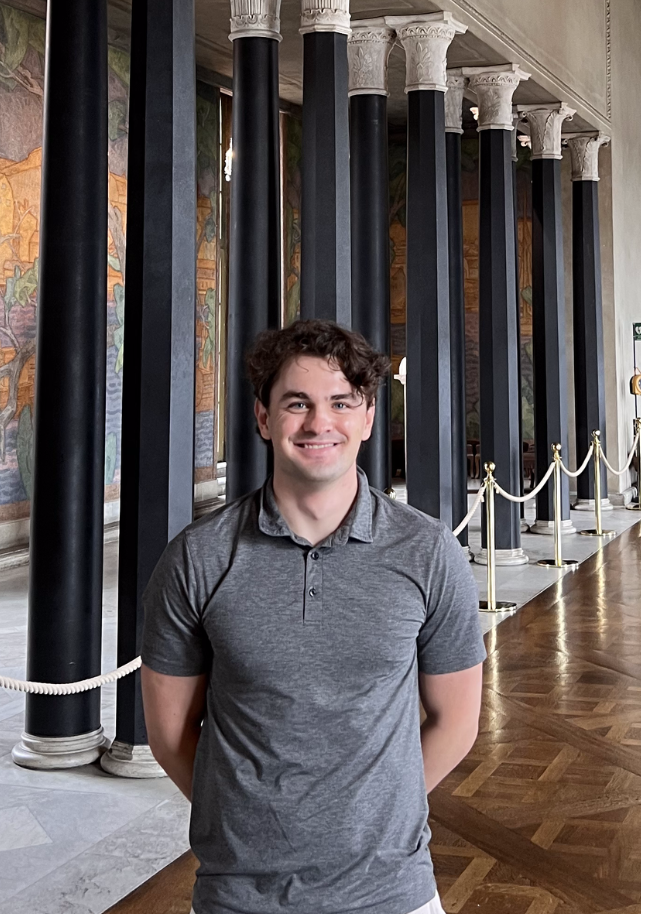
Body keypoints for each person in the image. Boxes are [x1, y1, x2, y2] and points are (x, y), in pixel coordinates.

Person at [142, 319, 484, 914]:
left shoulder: (429, 552)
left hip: (391, 893)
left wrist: (376, 812)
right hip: (239, 896)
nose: (319, 423)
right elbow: (171, 736)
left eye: (340, 403)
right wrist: (250, 825)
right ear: (263, 417)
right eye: (297, 403)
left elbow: (457, 721)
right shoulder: (198, 557)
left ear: (368, 417)